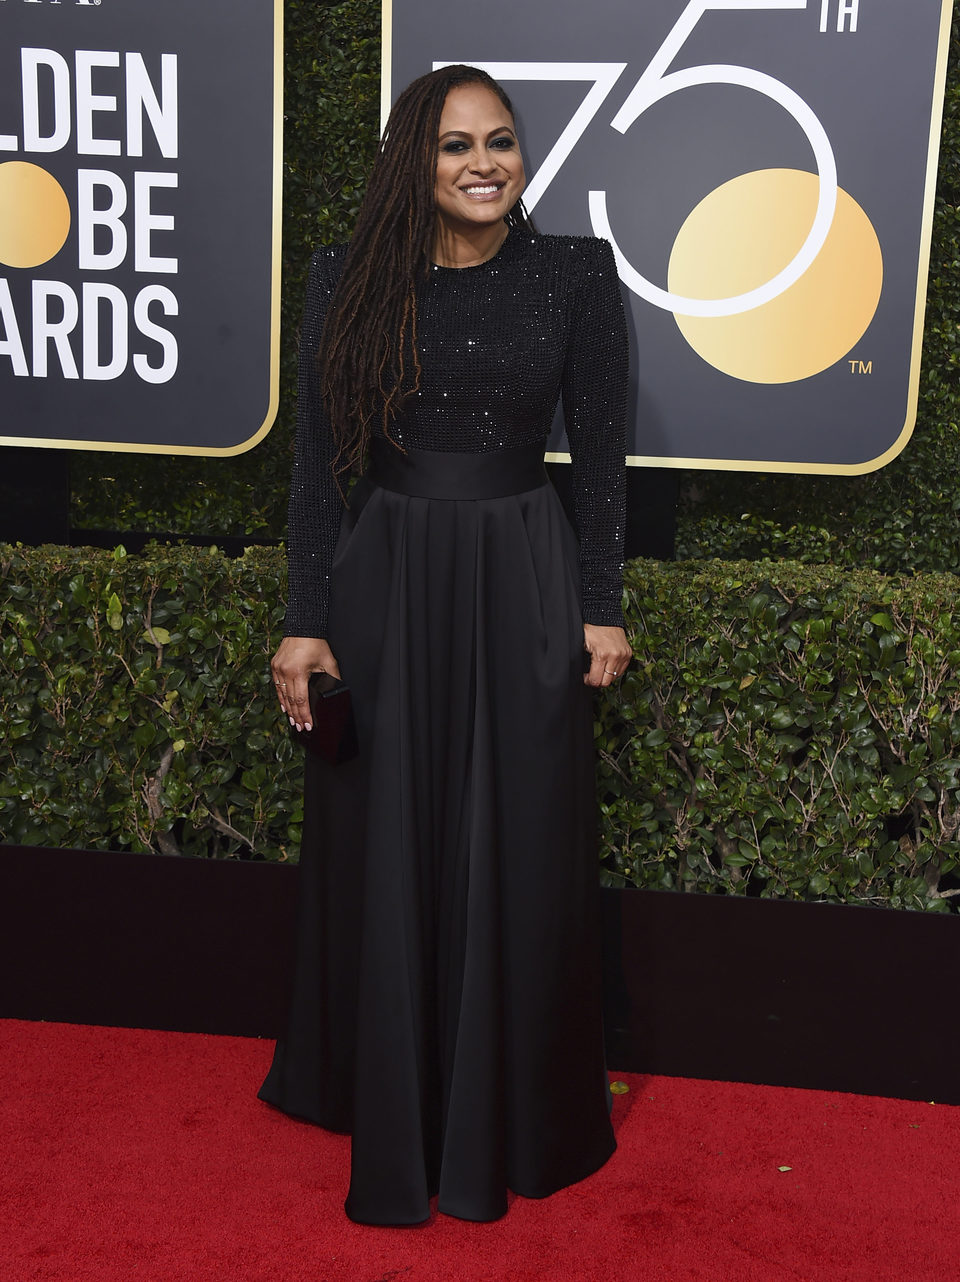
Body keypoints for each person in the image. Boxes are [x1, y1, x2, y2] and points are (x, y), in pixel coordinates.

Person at [258, 63, 632, 1226]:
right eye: (456, 144)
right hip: (386, 576)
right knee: (389, 837)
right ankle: (382, 1086)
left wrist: (600, 600)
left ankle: (512, 1105)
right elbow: (321, 466)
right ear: (413, 163)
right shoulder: (347, 279)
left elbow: (605, 459)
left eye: (503, 142)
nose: (485, 163)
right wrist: (304, 620)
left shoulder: (574, 273)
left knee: (519, 838)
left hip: (522, 565)